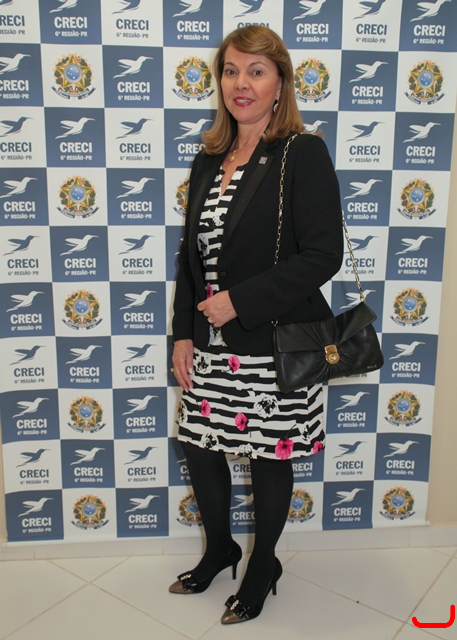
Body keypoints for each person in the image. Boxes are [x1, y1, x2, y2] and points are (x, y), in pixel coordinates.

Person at [170, 25, 343, 624]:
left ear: (280, 84)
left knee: (270, 454)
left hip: (275, 339)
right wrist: (183, 332)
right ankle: (220, 548)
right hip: (211, 341)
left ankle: (263, 564)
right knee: (199, 444)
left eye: (256, 71)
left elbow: (323, 255)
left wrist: (238, 302)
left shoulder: (302, 152)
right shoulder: (207, 158)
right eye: (231, 70)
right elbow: (190, 257)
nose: (240, 83)